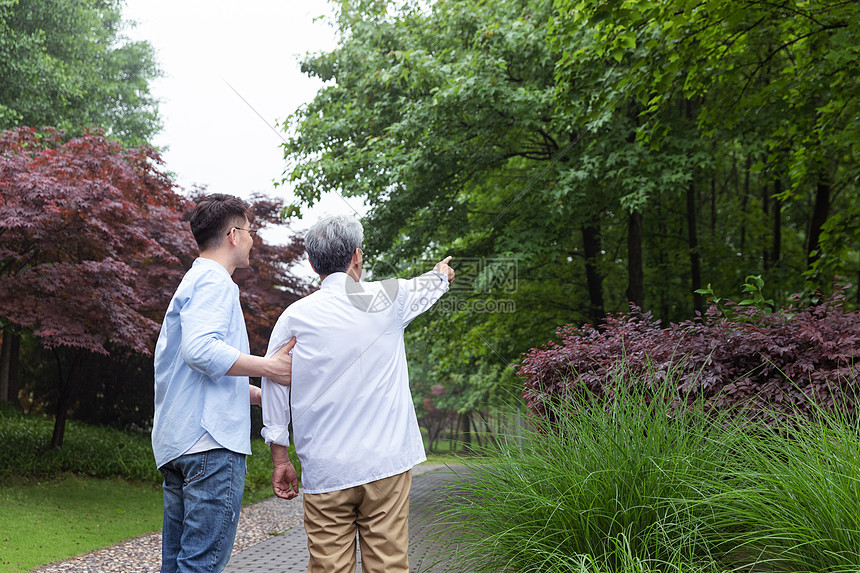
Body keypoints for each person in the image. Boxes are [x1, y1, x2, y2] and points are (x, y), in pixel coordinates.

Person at [261, 214, 455, 573]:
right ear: (357, 256)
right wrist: (442, 273)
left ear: (312, 263)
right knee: (388, 566)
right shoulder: (389, 298)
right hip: (386, 464)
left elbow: (273, 382)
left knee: (328, 567)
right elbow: (432, 283)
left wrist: (280, 457)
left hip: (325, 470)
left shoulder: (294, 317)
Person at [152, 193, 296, 573]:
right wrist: (270, 367)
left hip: (181, 441)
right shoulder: (216, 282)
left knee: (179, 565)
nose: (252, 239)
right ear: (233, 234)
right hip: (210, 447)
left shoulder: (193, 282)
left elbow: (193, 370)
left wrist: (255, 395)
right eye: (249, 231)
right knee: (201, 566)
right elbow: (200, 352)